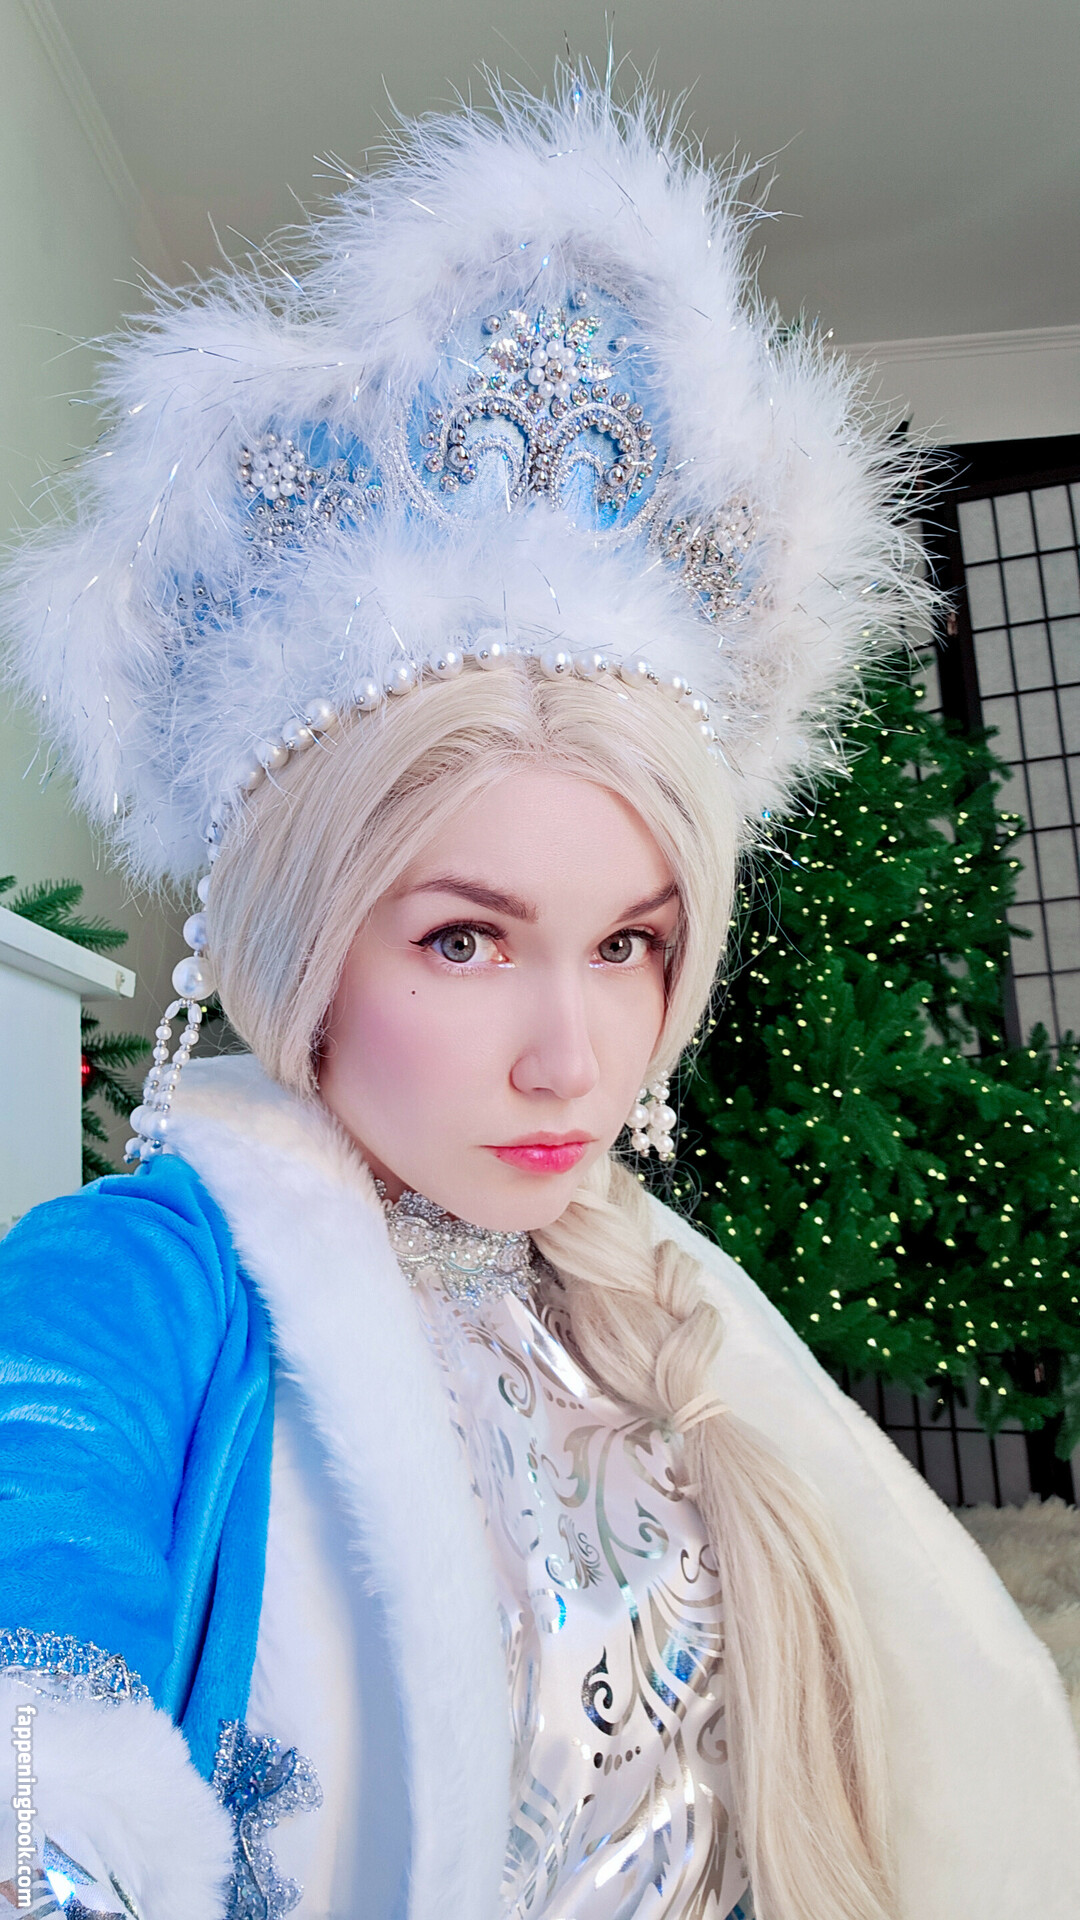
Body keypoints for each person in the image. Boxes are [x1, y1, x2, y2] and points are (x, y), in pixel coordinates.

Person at [0, 71, 1077, 1920]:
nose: (574, 1058)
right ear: (302, 943)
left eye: (631, 944)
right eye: (466, 940)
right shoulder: (133, 1292)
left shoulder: (640, 1291)